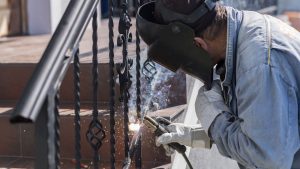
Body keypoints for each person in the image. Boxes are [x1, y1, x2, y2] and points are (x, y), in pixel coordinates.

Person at [136, 0, 300, 168]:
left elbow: (268, 161)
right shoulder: (245, 30)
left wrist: (214, 123)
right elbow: (265, 129)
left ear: (198, 44)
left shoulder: (258, 67)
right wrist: (195, 135)